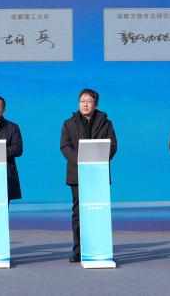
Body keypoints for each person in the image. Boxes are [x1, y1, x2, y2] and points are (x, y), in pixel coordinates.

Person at [59, 88, 117, 263]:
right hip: (77, 174)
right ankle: (78, 249)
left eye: (89, 101)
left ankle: (98, 247)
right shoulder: (69, 123)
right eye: (82, 101)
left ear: (96, 104)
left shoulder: (106, 123)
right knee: (79, 212)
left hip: (99, 173)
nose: (85, 104)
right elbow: (65, 146)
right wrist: (81, 161)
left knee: (98, 210)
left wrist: (98, 161)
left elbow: (112, 145)